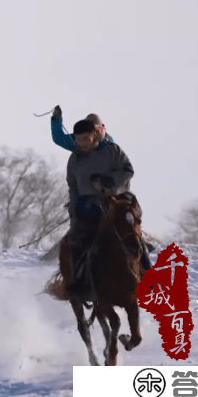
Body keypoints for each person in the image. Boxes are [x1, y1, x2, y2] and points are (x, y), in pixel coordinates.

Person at [63, 119, 151, 296]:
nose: (83, 143)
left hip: (117, 199)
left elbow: (128, 171)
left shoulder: (112, 151)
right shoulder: (74, 159)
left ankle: (149, 278)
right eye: (79, 140)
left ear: (95, 135)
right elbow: (72, 187)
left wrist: (110, 181)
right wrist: (73, 210)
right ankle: (78, 284)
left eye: (86, 138)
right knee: (76, 241)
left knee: (131, 232)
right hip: (88, 204)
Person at [50, 105, 115, 151]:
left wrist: (56, 119)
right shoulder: (109, 143)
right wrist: (56, 118)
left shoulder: (108, 144)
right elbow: (59, 139)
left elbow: (59, 139)